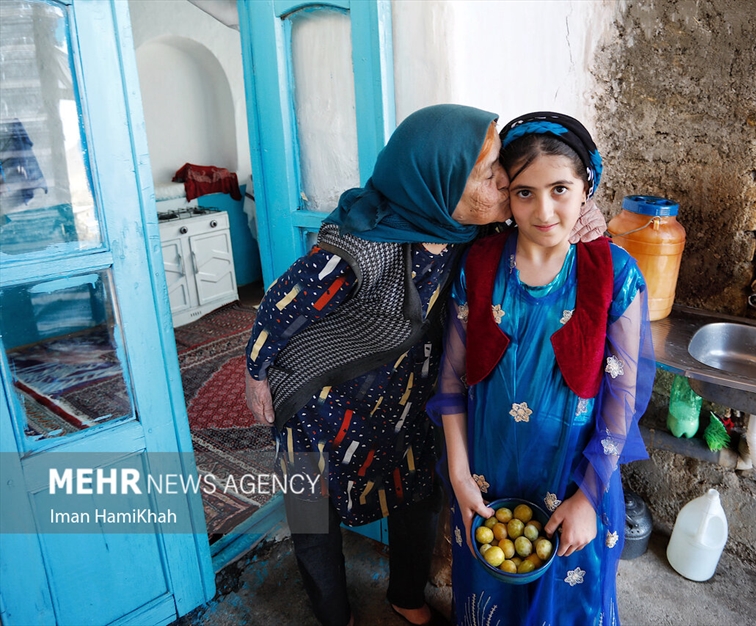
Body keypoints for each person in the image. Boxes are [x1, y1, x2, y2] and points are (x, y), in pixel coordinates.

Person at [244, 104, 604, 626]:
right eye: (489, 174)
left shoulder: (472, 236)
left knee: (418, 494)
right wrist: (256, 375)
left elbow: (554, 187)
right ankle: (332, 614)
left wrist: (589, 212)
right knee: (311, 512)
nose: (506, 182)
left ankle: (405, 595)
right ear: (440, 186)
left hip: (398, 400)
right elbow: (280, 306)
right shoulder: (361, 247)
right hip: (317, 400)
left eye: (500, 163)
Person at [429, 112, 656, 626]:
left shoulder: (613, 272)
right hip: (488, 475)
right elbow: (452, 381)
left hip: (573, 475)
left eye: (559, 188)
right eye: (524, 192)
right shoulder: (480, 264)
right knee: (491, 597)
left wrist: (588, 496)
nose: (544, 209)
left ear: (586, 189)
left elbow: (622, 396)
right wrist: (461, 478)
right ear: (506, 195)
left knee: (566, 601)